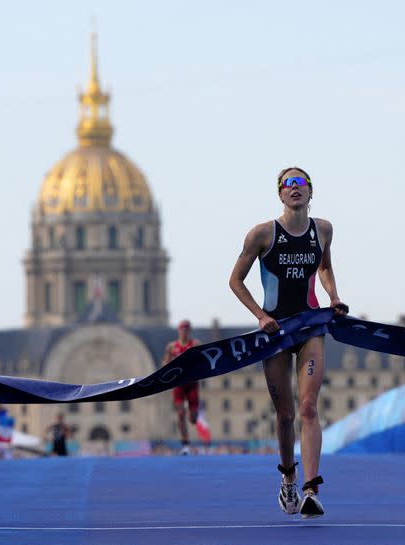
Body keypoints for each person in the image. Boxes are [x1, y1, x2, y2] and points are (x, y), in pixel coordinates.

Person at [229, 166, 348, 519]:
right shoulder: (262, 234)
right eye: (287, 184)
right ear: (280, 194)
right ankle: (288, 478)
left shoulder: (322, 230)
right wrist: (260, 317)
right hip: (276, 332)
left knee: (310, 406)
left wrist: (334, 297)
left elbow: (324, 267)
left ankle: (312, 489)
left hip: (311, 327)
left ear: (311, 192)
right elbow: (236, 281)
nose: (294, 188)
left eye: (301, 183)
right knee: (286, 415)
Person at [162, 319, 201, 455]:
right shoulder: (172, 347)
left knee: (193, 418)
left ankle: (192, 415)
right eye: (181, 329)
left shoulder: (195, 345)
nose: (183, 332)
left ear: (189, 331)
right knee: (180, 414)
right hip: (178, 384)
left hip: (192, 384)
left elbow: (202, 361)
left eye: (186, 329)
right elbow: (165, 364)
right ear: (179, 331)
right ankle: (185, 443)